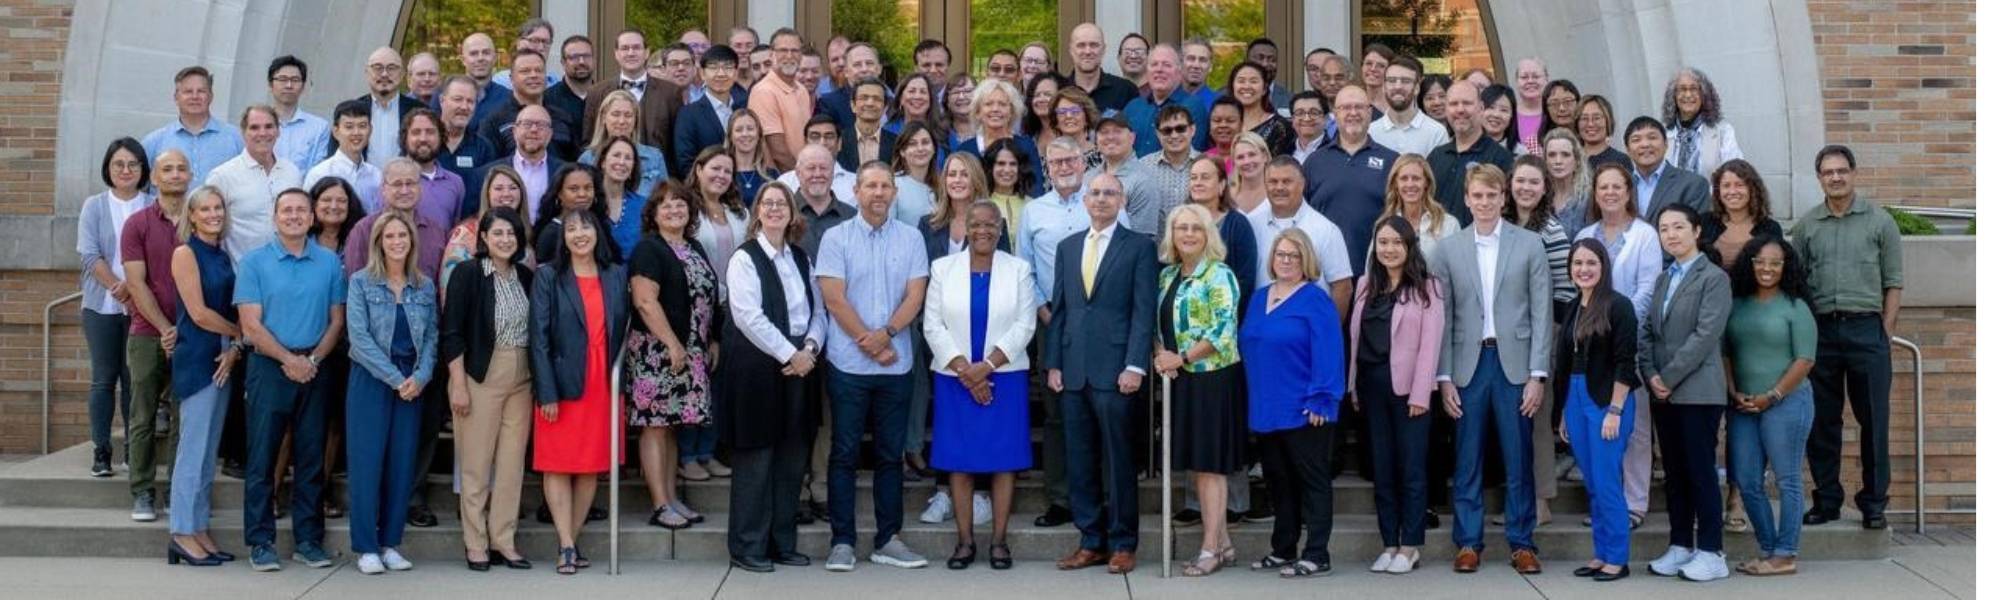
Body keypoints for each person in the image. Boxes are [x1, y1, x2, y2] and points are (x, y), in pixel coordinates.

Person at [1431, 164, 1549, 574]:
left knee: (1518, 457)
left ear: (1503, 198)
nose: (1484, 202)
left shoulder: (1529, 244)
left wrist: (1537, 375)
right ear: (1467, 199)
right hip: (1468, 365)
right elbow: (1443, 316)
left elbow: (1541, 311)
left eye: (1491, 195)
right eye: (1477, 196)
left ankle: (1522, 542)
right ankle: (1468, 542)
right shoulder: (1448, 249)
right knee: (1467, 458)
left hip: (1514, 364)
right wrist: (1444, 377)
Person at [815, 165, 933, 571]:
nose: (878, 192)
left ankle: (888, 539)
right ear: (856, 190)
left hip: (895, 366)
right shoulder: (836, 237)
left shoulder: (911, 238)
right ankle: (842, 541)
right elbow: (834, 299)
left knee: (889, 455)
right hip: (848, 365)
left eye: (885, 186)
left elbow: (915, 295)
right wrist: (869, 341)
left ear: (894, 192)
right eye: (871, 186)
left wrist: (887, 335)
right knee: (844, 453)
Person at [1045, 172, 1158, 576]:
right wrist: (1054, 362)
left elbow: (1143, 310)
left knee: (1119, 461)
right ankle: (1090, 540)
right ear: (1085, 200)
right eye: (1095, 193)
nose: (1102, 199)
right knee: (1079, 460)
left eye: (1110, 193)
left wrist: (1135, 365)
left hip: (1117, 371)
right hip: (1074, 370)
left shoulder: (1140, 247)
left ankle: (1123, 543)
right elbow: (1061, 309)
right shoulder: (1068, 247)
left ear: (1122, 200)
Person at [922, 201, 1038, 570]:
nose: (982, 230)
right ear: (966, 228)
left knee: (1004, 461)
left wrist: (985, 368)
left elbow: (1025, 324)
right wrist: (966, 371)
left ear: (1000, 230)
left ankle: (999, 542)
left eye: (990, 224)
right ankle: (965, 541)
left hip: (1004, 377)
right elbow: (932, 325)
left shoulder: (1018, 269)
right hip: (954, 378)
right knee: (960, 462)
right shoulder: (943, 268)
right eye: (975, 224)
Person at [234, 188, 345, 571]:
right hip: (269, 367)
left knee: (311, 457)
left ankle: (309, 541)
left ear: (312, 218)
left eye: (301, 210)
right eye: (287, 210)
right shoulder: (254, 262)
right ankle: (260, 541)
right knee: (262, 458)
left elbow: (336, 320)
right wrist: (288, 359)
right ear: (275, 217)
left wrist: (311, 360)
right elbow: (250, 324)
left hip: (315, 365)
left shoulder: (328, 263)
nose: (294, 216)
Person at [719, 180, 825, 573]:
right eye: (768, 203)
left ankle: (782, 542)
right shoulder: (744, 258)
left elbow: (818, 311)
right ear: (757, 212)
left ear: (792, 213)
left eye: (782, 203)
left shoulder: (801, 257)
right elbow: (748, 317)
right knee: (756, 459)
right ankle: (747, 546)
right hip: (758, 368)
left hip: (801, 365)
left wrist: (810, 348)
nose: (776, 209)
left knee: (792, 458)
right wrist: (790, 354)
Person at [1794, 145, 1901, 531]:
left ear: (1854, 173)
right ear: (1819, 178)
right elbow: (1797, 284)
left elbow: (1893, 282)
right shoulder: (1807, 226)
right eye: (1828, 172)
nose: (1835, 177)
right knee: (1822, 421)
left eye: (1841, 170)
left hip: (1866, 330)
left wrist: (1885, 331)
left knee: (1874, 420)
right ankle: (1827, 500)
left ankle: (1874, 503)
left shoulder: (1880, 222)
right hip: (1821, 331)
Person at [529, 208, 631, 575]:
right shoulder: (548, 276)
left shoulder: (616, 274)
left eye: (586, 227)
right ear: (564, 238)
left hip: (603, 384)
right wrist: (546, 392)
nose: (579, 234)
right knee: (557, 463)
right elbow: (538, 337)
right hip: (562, 381)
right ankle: (567, 544)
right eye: (571, 229)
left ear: (598, 233)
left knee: (591, 465)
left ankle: (568, 544)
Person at [1239, 228, 1343, 579]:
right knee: (1278, 481)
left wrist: (1322, 399)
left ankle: (1317, 553)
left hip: (1305, 409)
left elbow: (1329, 351)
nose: (1285, 260)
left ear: (1305, 260)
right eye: (1280, 254)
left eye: (1293, 255)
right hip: (1267, 408)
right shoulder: (1259, 298)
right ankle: (1283, 548)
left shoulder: (1316, 300)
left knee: (1312, 482)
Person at [1638, 204, 1735, 582]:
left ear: (1696, 231)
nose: (1671, 234)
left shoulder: (1714, 278)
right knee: (1675, 473)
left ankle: (1712, 551)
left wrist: (1669, 376)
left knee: (1700, 471)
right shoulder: (1665, 278)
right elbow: (1648, 332)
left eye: (1678, 227)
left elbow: (1705, 335)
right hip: (1663, 393)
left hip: (1698, 392)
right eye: (1664, 229)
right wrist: (1651, 374)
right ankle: (1680, 544)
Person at [341, 213, 438, 575]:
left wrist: (421, 376)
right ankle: (367, 546)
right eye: (390, 236)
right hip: (373, 379)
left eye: (403, 236)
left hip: (412, 383)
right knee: (367, 463)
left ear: (412, 241)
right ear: (379, 242)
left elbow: (432, 336)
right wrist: (396, 379)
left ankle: (391, 543)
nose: (397, 241)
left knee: (402, 463)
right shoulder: (361, 282)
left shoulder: (424, 286)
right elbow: (359, 339)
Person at [625, 180, 724, 531]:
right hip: (657, 352)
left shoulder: (693, 246)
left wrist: (712, 339)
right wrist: (671, 343)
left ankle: (671, 498)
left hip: (689, 350)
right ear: (653, 214)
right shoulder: (648, 250)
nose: (674, 210)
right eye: (665, 205)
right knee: (654, 427)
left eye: (680, 204)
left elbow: (708, 297)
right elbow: (645, 302)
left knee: (670, 428)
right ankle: (660, 504)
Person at [440, 207, 535, 571]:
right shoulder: (468, 274)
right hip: (480, 375)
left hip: (521, 377)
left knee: (511, 465)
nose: (505, 240)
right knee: (476, 464)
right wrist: (458, 384)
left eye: (511, 233)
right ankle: (476, 542)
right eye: (497, 233)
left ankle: (504, 540)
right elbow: (452, 332)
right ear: (483, 238)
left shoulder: (525, 276)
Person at [1152, 204, 1245, 577]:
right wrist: (1161, 355)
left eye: (1196, 228)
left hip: (1212, 379)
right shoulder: (1167, 275)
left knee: (1210, 466)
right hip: (1182, 380)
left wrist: (1182, 357)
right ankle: (1224, 542)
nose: (1188, 234)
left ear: (1208, 235)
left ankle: (1210, 549)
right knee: (1198, 465)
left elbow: (1223, 330)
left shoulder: (1219, 274)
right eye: (1181, 228)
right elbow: (1160, 326)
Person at [1350, 216, 1444, 575]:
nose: (1389, 249)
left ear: (1409, 247)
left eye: (1396, 243)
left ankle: (1410, 545)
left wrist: (1421, 393)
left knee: (1412, 469)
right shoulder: (1365, 286)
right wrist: (1353, 386)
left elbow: (1430, 345)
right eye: (1383, 242)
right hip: (1371, 387)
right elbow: (1356, 341)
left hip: (1409, 392)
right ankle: (1389, 543)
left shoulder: (1427, 288)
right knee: (1382, 468)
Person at [1723, 234, 1819, 576]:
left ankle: (1785, 554)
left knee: (1787, 479)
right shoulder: (1737, 304)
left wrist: (1773, 395)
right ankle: (1768, 551)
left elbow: (1805, 360)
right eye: (1760, 261)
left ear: (1786, 266)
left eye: (1775, 263)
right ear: (1749, 263)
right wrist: (1733, 390)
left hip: (1786, 402)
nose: (1767, 268)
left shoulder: (1796, 307)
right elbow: (1726, 352)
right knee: (1747, 480)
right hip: (1744, 405)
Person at [1577, 163, 1663, 527]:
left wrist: (1617, 325)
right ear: (1595, 193)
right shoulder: (1586, 234)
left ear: (1629, 192)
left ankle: (1634, 503)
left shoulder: (1645, 235)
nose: (1610, 193)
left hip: (1630, 341)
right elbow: (1581, 284)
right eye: (1603, 187)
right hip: (1592, 346)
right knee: (1597, 426)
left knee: (1635, 427)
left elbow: (1648, 289)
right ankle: (1605, 502)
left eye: (1617, 187)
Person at [1551, 237, 1640, 581]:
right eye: (1577, 263)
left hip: (1607, 401)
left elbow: (1625, 363)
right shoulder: (1573, 307)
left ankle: (1617, 557)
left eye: (1591, 263)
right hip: (1575, 399)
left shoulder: (1619, 306)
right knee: (1591, 482)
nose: (1583, 269)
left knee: (1606, 482)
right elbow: (1565, 363)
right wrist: (1563, 411)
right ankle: (1601, 553)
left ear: (1603, 267)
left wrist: (1615, 411)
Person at [163, 185, 240, 567]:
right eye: (205, 209)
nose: (213, 214)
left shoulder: (221, 255)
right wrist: (240, 334)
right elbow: (198, 313)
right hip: (197, 357)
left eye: (218, 207)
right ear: (191, 216)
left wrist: (234, 347)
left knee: (209, 452)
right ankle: (180, 532)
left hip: (223, 356)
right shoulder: (185, 253)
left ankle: (198, 528)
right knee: (192, 450)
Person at [1506, 155, 1575, 523]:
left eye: (1534, 182)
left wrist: (1547, 341)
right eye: (1520, 180)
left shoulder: (1550, 229)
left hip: (1541, 335)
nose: (1526, 188)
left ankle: (1542, 502)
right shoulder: (1499, 223)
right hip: (1503, 335)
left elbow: (1564, 292)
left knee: (1537, 418)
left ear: (1545, 187)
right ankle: (1517, 498)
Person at [120, 149, 189, 519]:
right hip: (147, 332)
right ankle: (142, 492)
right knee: (143, 415)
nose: (175, 174)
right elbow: (135, 282)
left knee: (183, 418)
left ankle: (177, 490)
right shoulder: (137, 224)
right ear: (155, 178)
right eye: (167, 169)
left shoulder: (201, 219)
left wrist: (183, 329)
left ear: (189, 175)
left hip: (193, 335)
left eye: (181, 169)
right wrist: (165, 328)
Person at [78, 138, 150, 480]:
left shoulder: (152, 205)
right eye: (119, 164)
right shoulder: (94, 206)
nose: (126, 170)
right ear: (108, 168)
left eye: (133, 164)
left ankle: (133, 451)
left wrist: (136, 292)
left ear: (143, 169)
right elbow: (90, 255)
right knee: (104, 379)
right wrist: (119, 288)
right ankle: (102, 450)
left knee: (135, 380)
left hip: (144, 308)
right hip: (101, 306)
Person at [1304, 85, 1400, 277]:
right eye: (1346, 107)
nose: (1353, 113)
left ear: (1370, 113)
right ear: (1335, 114)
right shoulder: (1314, 162)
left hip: (1378, 272)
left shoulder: (1392, 161)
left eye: (1359, 107)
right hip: (1323, 272)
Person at [1246, 157, 1353, 313]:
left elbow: (1342, 288)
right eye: (1273, 182)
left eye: (1287, 181)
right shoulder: (1251, 224)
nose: (1279, 187)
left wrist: (1327, 326)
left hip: (1308, 325)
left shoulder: (1326, 230)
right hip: (1260, 323)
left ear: (1302, 184)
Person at [209, 106, 306, 261]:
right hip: (239, 272)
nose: (262, 133)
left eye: (269, 126)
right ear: (243, 132)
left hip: (288, 270)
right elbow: (209, 229)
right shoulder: (223, 176)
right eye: (254, 128)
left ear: (278, 131)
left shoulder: (292, 172)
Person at [582, 29, 684, 159]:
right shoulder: (596, 92)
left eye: (636, 48)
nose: (631, 53)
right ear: (616, 54)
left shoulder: (671, 92)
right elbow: (589, 140)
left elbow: (677, 143)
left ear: (647, 52)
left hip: (657, 169)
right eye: (625, 48)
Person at [1428, 81, 1516, 223]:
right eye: (1453, 104)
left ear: (1481, 108)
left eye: (1467, 103)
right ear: (1446, 110)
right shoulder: (1436, 157)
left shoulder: (1501, 159)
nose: (1460, 110)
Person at [141, 66, 243, 186]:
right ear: (176, 98)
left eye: (201, 91)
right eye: (188, 91)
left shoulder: (236, 139)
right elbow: (140, 190)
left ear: (211, 96)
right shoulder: (153, 143)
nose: (195, 96)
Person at [477, 49, 580, 163]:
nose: (533, 75)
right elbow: (487, 167)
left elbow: (575, 163)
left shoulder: (563, 117)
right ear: (511, 79)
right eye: (525, 71)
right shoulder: (494, 122)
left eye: (539, 70)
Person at [474, 105, 568, 223]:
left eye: (541, 125)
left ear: (550, 134)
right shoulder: (485, 174)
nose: (534, 130)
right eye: (527, 124)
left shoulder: (565, 172)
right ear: (514, 131)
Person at [1082, 117, 1169, 238]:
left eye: (1117, 131)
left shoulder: (1143, 181)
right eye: (1104, 132)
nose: (1110, 137)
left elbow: (1142, 239)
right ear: (1096, 139)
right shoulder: (1087, 177)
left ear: (1132, 138)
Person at [444, 167, 531, 287]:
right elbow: (448, 284)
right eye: (498, 188)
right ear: (487, 193)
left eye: (513, 188)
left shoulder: (527, 232)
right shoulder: (465, 233)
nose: (506, 194)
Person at [957, 78, 1044, 197]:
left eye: (1002, 104)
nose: (995, 109)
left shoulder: (1025, 146)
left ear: (1012, 112)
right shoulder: (965, 149)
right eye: (988, 104)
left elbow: (1036, 189)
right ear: (978, 112)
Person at [578, 90, 670, 198]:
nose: (622, 121)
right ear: (603, 118)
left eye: (628, 115)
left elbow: (665, 198)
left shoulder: (654, 158)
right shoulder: (587, 159)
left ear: (635, 120)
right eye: (616, 114)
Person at [1122, 44, 1207, 158]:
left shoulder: (1193, 107)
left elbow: (1193, 156)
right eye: (1154, 64)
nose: (1159, 69)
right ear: (1147, 71)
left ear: (1179, 71)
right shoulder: (1133, 108)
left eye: (1167, 65)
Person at [673, 46, 748, 175]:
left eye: (728, 67)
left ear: (736, 74)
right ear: (702, 73)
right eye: (713, 68)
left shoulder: (745, 108)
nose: (721, 74)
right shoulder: (688, 114)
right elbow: (685, 162)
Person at [1698, 159, 1784, 270]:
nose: (1732, 191)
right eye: (1726, 186)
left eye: (1739, 185)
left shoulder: (1770, 228)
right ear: (1718, 191)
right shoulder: (1704, 223)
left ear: (1752, 189)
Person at [1626, 116, 1712, 224]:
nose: (1645, 144)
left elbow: (1698, 229)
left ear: (1666, 144)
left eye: (1652, 137)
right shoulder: (1620, 186)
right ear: (1628, 150)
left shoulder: (1693, 184)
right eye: (1636, 140)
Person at [305, 100, 386, 213]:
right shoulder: (320, 174)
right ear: (336, 131)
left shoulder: (377, 175)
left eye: (362, 126)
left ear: (370, 130)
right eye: (349, 127)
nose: (356, 132)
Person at [747, 28, 811, 171]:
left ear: (801, 55)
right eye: (783, 50)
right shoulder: (763, 91)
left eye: (795, 51)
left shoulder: (802, 90)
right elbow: (778, 152)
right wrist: (800, 178)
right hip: (778, 178)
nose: (789, 56)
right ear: (772, 55)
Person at [1661, 68, 1742, 178]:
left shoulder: (1723, 132)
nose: (1688, 95)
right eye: (1682, 89)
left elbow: (1735, 173)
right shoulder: (1662, 134)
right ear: (1673, 96)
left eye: (1694, 89)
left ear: (1704, 95)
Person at [1377, 155, 1462, 258]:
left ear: (1426, 183)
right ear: (1395, 183)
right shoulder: (1384, 224)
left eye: (1416, 178)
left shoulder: (1448, 224)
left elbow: (1457, 265)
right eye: (1404, 178)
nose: (1410, 184)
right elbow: (1373, 265)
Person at [529, 164, 610, 272]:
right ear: (559, 193)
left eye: (588, 188)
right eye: (574, 189)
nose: (582, 194)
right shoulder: (550, 234)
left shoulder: (600, 225)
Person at [438, 76, 500, 216]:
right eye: (458, 99)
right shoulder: (425, 143)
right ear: (442, 100)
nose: (464, 107)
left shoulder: (484, 148)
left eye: (470, 101)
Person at [356, 47, 425, 170]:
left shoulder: (419, 111)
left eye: (391, 68)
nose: (384, 74)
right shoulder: (353, 110)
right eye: (378, 68)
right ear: (367, 72)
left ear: (402, 74)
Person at [1368, 57, 1448, 158]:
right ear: (1384, 87)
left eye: (1405, 81)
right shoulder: (1370, 132)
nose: (1398, 86)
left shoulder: (1436, 133)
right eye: (1392, 80)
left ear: (1417, 88)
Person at [1136, 104, 1199, 225]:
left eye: (1180, 128)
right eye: (1167, 131)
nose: (1174, 135)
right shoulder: (1143, 167)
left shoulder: (1207, 164)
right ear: (1158, 134)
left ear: (1192, 130)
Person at [268, 56, 331, 172]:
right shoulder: (258, 124)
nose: (289, 85)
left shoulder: (319, 127)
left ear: (303, 86)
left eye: (295, 80)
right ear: (270, 85)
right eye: (282, 79)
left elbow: (317, 171)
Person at [594, 136, 649, 259]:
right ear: (603, 162)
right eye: (616, 155)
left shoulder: (644, 205)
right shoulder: (589, 202)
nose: (622, 162)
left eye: (628, 158)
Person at [1066, 23, 1139, 117]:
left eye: (1094, 45)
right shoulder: (1060, 89)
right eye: (1081, 45)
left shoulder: (1126, 90)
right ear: (1071, 50)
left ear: (1103, 49)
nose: (1088, 51)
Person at [1232, 63, 1295, 157]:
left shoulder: (1279, 126)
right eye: (1241, 81)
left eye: (1253, 81)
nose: (1247, 86)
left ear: (1265, 89)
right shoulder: (1225, 124)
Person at [547, 36, 598, 150]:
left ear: (594, 60)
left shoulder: (606, 97)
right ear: (563, 63)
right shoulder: (547, 99)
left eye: (586, 56)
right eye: (574, 57)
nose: (581, 62)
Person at [838, 77, 899, 173]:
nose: (870, 103)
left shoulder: (897, 143)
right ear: (853, 105)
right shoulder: (838, 141)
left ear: (885, 108)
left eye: (877, 99)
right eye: (864, 98)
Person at [982, 139, 1037, 244]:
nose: (1007, 170)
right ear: (990, 167)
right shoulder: (980, 204)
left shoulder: (1032, 205)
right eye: (1001, 163)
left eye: (1013, 164)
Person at [1542, 128, 1593, 235]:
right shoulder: (1539, 196)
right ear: (1545, 161)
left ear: (1577, 161)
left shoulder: (1589, 198)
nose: (1558, 161)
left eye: (1565, 155)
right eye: (1552, 155)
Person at [891, 126, 942, 227]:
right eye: (912, 144)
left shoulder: (944, 184)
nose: (920, 148)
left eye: (925, 142)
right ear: (902, 151)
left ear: (934, 149)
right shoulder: (892, 184)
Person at [727, 110, 781, 202]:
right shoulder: (724, 174)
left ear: (759, 135)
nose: (745, 134)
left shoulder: (772, 175)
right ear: (731, 136)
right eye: (739, 130)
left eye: (750, 129)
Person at [1050, 88, 1103, 170]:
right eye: (1062, 111)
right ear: (1056, 121)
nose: (1068, 116)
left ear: (1087, 118)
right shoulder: (1050, 159)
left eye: (1075, 111)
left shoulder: (1102, 156)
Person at [1576, 95, 1632, 173]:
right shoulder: (1571, 158)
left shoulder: (1620, 160)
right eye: (1584, 118)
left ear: (1608, 121)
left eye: (1597, 118)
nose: (1590, 124)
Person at [1024, 73, 1070, 153]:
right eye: (1037, 95)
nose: (1041, 99)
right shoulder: (1029, 135)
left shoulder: (1071, 131)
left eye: (1047, 94)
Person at [1513, 58, 1549, 155]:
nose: (1530, 81)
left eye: (1536, 76)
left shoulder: (1554, 113)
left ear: (1546, 79)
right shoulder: (1509, 114)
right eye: (1524, 77)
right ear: (1516, 81)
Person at [886, 74, 940, 138]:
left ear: (930, 99)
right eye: (911, 91)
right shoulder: (887, 132)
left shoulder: (943, 133)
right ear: (901, 99)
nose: (917, 96)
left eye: (923, 92)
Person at [1289, 91, 1331, 161]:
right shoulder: (1284, 150)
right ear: (1292, 119)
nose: (1307, 119)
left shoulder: (1335, 153)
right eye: (1300, 113)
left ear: (1326, 118)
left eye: (1314, 113)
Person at [1481, 84, 1522, 154]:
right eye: (1491, 107)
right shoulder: (1465, 148)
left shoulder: (1521, 153)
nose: (1496, 115)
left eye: (1504, 110)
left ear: (1512, 115)